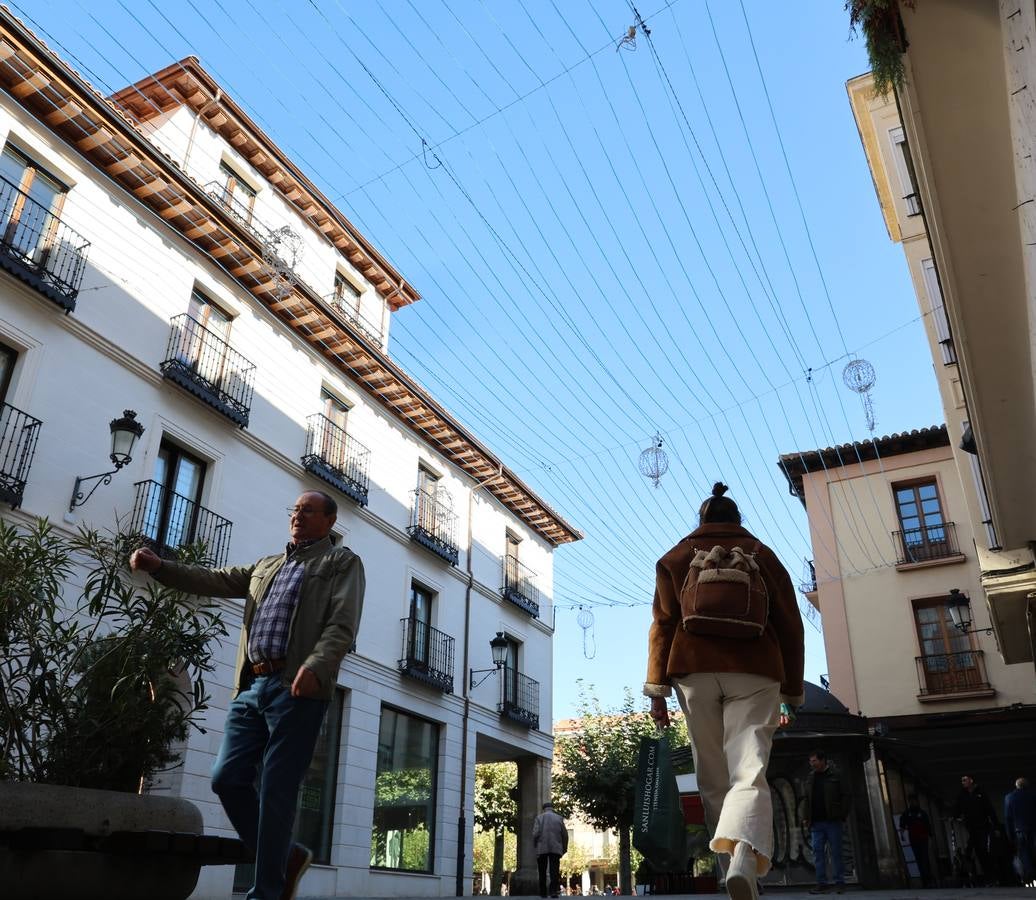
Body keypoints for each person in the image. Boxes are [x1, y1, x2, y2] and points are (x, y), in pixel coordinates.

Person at [130, 490, 364, 900]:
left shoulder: (340, 562)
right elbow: (214, 579)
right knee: (227, 779)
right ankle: (287, 858)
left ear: (329, 521)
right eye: (294, 510)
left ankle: (267, 891)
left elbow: (342, 622)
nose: (298, 516)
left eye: (308, 511)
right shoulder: (266, 565)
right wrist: (160, 567)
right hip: (252, 685)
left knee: (277, 787)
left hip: (297, 685)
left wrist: (317, 665)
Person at [645, 483, 805, 900]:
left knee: (712, 775)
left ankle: (728, 870)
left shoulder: (677, 556)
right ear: (738, 520)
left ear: (702, 521)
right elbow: (790, 625)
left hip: (693, 671)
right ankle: (743, 859)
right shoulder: (763, 555)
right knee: (748, 769)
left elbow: (662, 625)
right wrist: (792, 689)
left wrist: (657, 691)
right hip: (756, 669)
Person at [802, 750, 850, 894]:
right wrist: (806, 817)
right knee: (817, 853)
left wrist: (842, 814)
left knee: (836, 852)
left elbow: (846, 796)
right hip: (816, 823)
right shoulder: (811, 777)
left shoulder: (836, 775)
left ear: (823, 760)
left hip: (832, 822)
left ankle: (839, 882)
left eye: (814, 761)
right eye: (811, 761)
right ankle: (822, 883)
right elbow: (807, 799)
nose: (812, 764)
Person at [954, 774, 997, 884]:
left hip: (983, 827)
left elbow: (989, 808)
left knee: (986, 851)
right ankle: (988, 878)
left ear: (971, 780)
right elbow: (957, 808)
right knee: (979, 853)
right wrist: (955, 817)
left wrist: (996, 825)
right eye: (962, 780)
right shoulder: (962, 795)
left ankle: (993, 876)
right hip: (971, 829)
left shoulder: (980, 793)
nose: (963, 782)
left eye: (965, 780)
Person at [533, 801, 569, 898]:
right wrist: (564, 848)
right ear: (552, 808)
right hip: (555, 847)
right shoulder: (559, 818)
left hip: (542, 848)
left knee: (542, 871)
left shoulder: (539, 818)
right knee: (554, 871)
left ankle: (543, 892)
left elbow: (535, 834)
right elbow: (565, 835)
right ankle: (553, 891)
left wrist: (535, 845)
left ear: (543, 809)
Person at [1006, 777, 1036, 884]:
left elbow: (1008, 818)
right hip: (1033, 828)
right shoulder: (1033, 795)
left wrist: (1010, 835)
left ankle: (1030, 874)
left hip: (1019, 830)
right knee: (1033, 850)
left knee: (1024, 852)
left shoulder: (1009, 797)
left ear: (1016, 786)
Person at [899, 796, 934, 888]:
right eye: (911, 801)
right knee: (919, 859)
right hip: (914, 839)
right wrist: (902, 835)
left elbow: (928, 825)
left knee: (925, 858)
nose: (913, 803)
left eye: (914, 801)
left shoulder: (922, 813)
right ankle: (924, 880)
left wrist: (931, 837)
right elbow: (902, 824)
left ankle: (928, 879)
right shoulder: (907, 813)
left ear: (917, 802)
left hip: (923, 839)